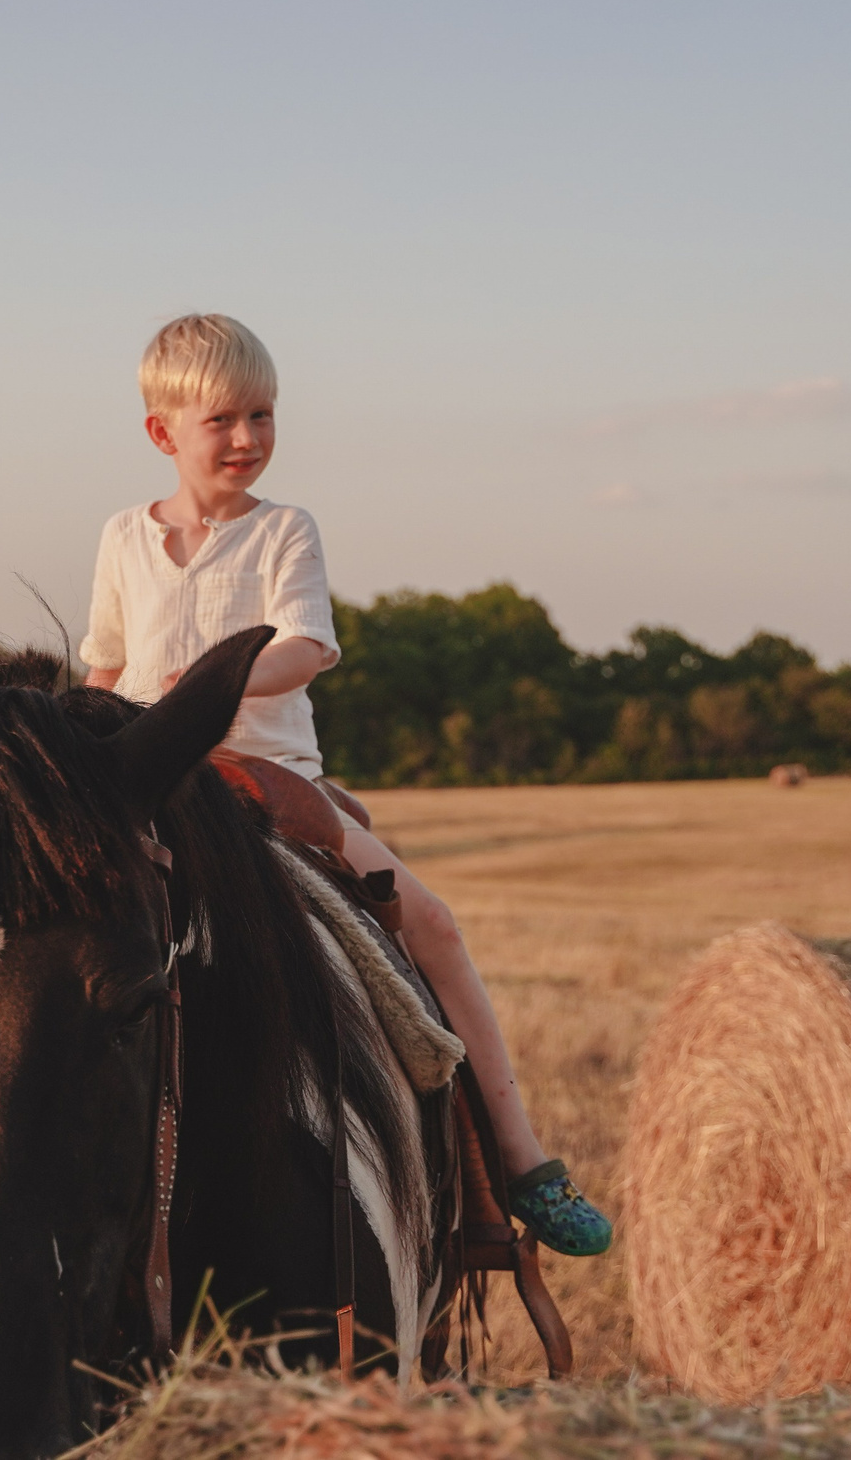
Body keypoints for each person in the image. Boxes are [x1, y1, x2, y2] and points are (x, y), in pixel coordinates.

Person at [80, 313, 610, 1256]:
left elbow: (306, 646)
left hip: (267, 776)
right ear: (163, 433)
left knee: (433, 922)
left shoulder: (283, 530)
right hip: (143, 775)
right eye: (223, 421)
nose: (247, 439)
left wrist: (212, 688)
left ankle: (522, 1159)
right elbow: (103, 666)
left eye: (263, 416)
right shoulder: (123, 536)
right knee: (11, 931)